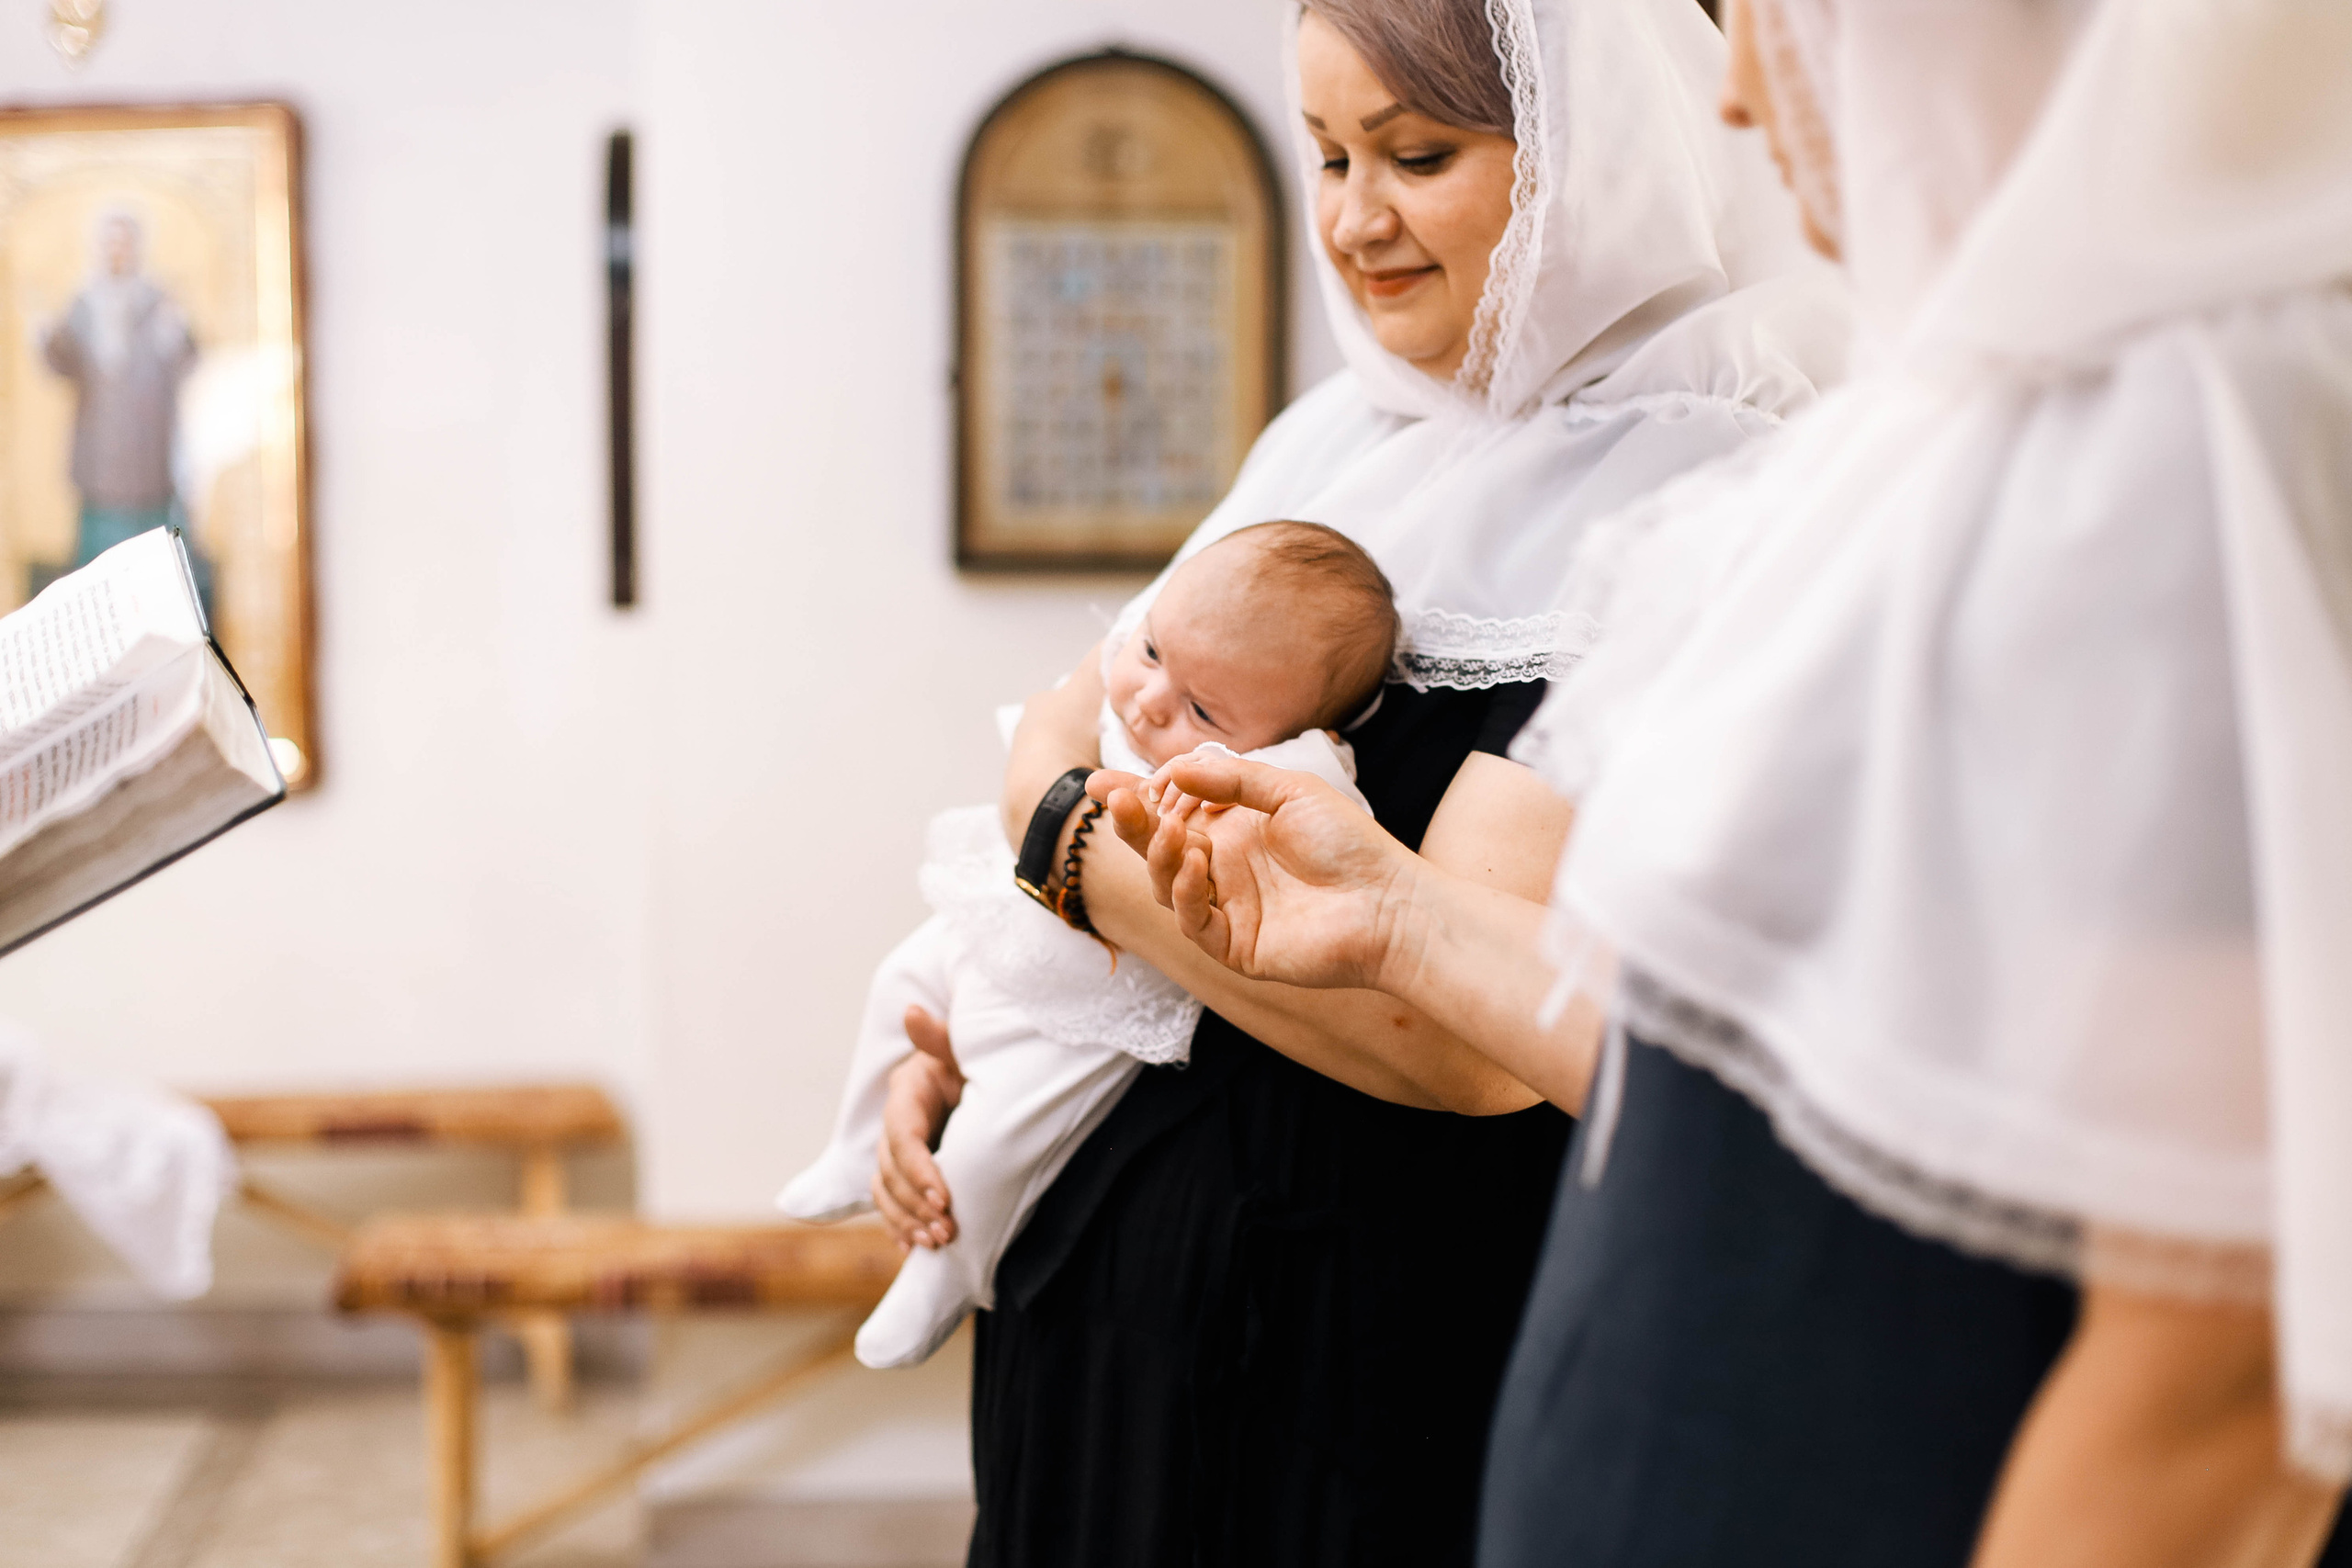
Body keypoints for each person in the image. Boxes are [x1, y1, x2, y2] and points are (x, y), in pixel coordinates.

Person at [1112, 0, 2352, 1561]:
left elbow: (2218, 1390)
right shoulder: (1969, 441)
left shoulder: (2194, 455)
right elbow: (1760, 1084)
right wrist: (1391, 918)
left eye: (1788, 22)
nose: (1747, 99)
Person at [872, 0, 1847, 1561]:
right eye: (1326, 153)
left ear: (1590, 162)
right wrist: (978, 1028)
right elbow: (1103, 718)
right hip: (1105, 1343)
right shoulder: (1330, 443)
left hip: (1349, 1363)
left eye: (1418, 153)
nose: (1349, 218)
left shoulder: (1698, 484)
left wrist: (1056, 839)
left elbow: (1454, 1034)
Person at [779, 522, 1393, 1371]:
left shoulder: (1289, 774)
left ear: (1291, 736)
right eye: (1150, 652)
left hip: (1093, 999)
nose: (1148, 702)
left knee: (997, 1141)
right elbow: (1051, 723)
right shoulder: (1135, 687)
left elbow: (1331, 815)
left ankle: (942, 1271)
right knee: (898, 984)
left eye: (1203, 710)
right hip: (1003, 913)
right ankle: (851, 1149)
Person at [39, 209, 211, 610]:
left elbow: (188, 359)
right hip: (98, 459)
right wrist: (49, 338)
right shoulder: (83, 302)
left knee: (151, 580)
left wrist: (180, 332)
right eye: (109, 242)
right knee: (96, 581)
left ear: (136, 247)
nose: (117, 250)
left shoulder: (157, 300)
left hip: (146, 461)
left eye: (124, 241)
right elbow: (65, 363)